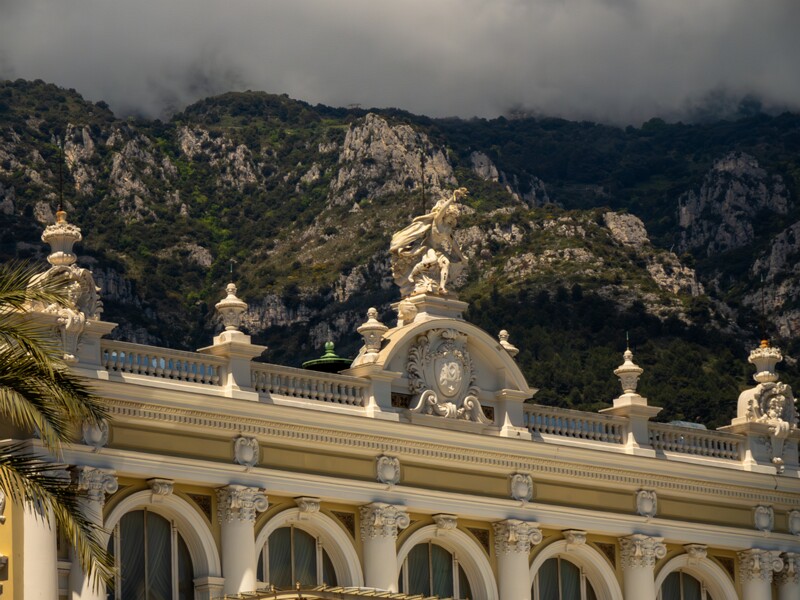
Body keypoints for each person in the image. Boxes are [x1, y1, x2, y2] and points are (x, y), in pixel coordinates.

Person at [390, 188, 467, 296]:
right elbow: (442, 210)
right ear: (446, 214)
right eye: (451, 216)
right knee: (433, 260)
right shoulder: (438, 221)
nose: (452, 220)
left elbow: (454, 245)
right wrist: (453, 198)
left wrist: (462, 258)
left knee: (446, 263)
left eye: (454, 218)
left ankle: (442, 287)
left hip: (439, 250)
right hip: (428, 247)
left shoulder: (448, 229)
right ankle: (413, 274)